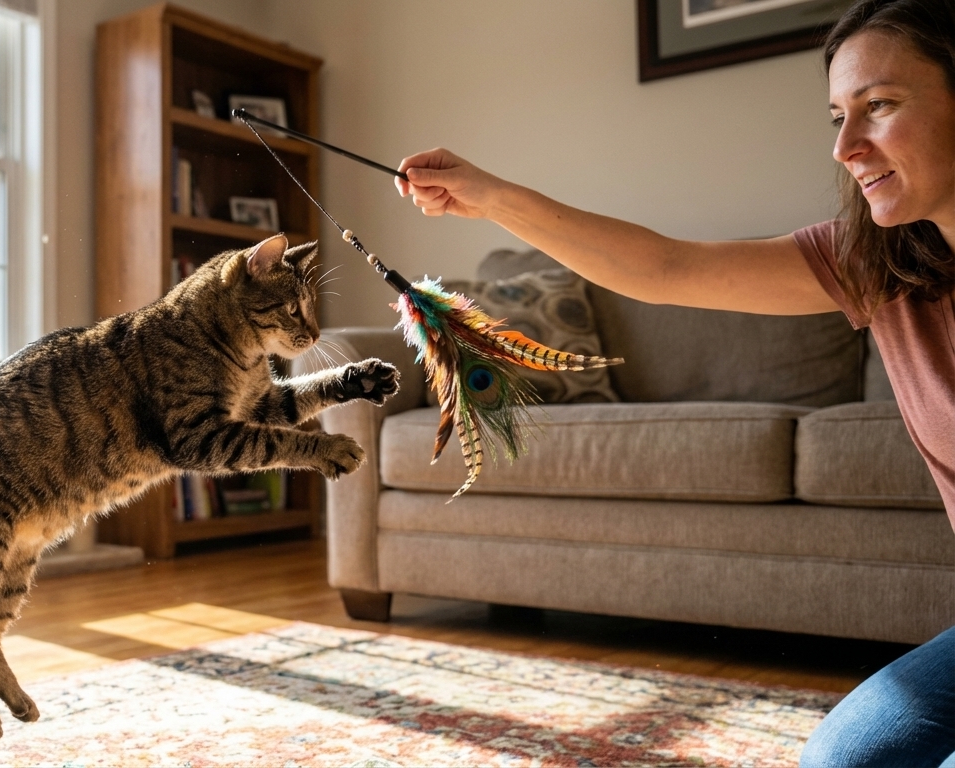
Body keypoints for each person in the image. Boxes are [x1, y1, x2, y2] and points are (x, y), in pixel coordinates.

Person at [394, 0, 955, 764]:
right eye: (835, 117)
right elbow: (666, 268)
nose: (847, 147)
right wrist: (488, 195)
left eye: (879, 106)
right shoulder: (877, 265)